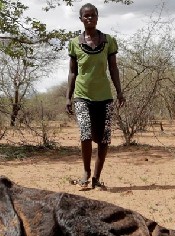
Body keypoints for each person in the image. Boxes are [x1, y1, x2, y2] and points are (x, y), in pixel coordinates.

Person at [66, 2, 125, 190]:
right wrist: (68, 97)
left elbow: (113, 68)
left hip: (104, 97)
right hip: (82, 95)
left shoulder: (108, 41)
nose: (90, 18)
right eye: (86, 15)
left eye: (93, 15)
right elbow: (72, 72)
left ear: (98, 17)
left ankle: (97, 178)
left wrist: (119, 91)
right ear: (81, 19)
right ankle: (86, 171)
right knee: (85, 133)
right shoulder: (74, 43)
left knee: (104, 139)